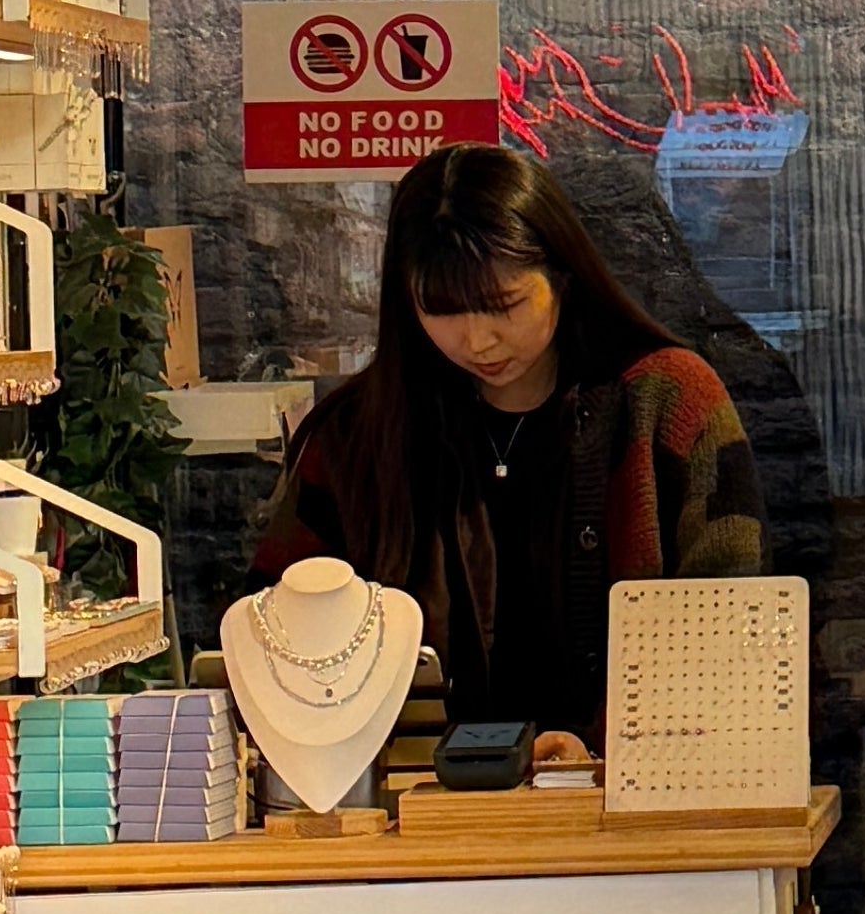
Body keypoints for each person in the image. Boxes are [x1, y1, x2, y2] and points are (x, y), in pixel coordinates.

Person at [250, 142, 761, 737]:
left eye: (504, 305)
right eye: (441, 310)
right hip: (412, 808)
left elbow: (734, 631)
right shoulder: (357, 436)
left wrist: (610, 753)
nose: (478, 341)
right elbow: (270, 632)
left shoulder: (666, 402)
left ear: (562, 275)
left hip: (632, 802)